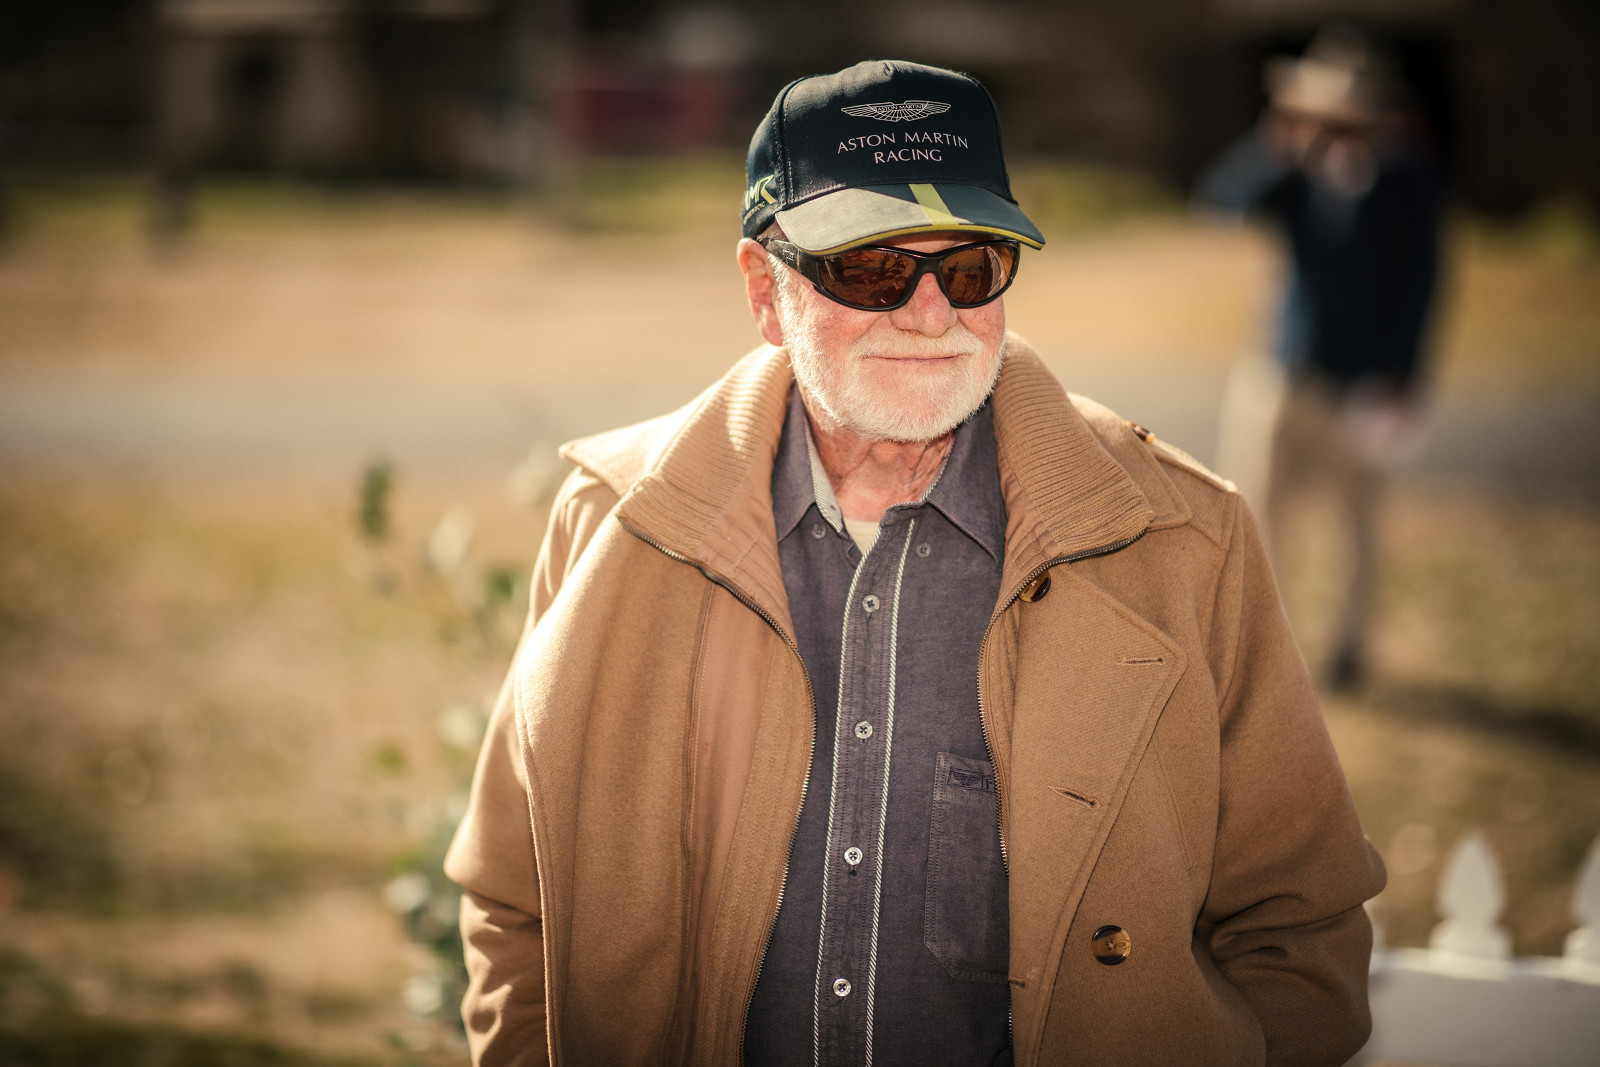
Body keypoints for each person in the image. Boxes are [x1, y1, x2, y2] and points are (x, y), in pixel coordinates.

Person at [445, 59, 1385, 1066]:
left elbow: (1301, 935)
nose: (931, 314)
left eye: (971, 267)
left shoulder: (1183, 541)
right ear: (765, 290)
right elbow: (517, 898)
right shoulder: (613, 526)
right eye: (869, 268)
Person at [1200, 27, 1442, 691]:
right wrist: (1275, 143)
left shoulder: (1408, 178)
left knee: (1358, 523)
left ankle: (1350, 648)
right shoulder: (1294, 170)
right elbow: (1220, 203)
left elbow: (1421, 285)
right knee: (1255, 512)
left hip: (1363, 384)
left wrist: (1401, 378)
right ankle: (1264, 646)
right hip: (1283, 370)